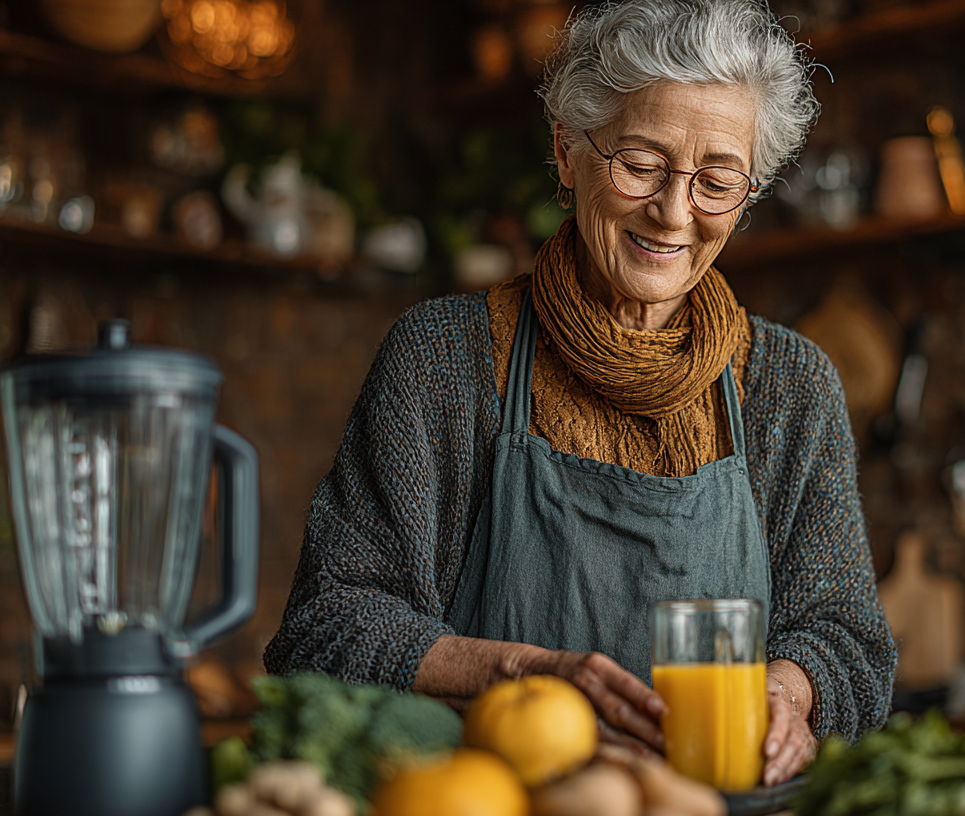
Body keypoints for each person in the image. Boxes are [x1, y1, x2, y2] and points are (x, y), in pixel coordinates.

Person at [265, 0, 896, 785]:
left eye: (717, 181)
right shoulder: (445, 361)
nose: (673, 213)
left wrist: (793, 689)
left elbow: (850, 643)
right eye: (639, 164)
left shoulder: (790, 388)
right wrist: (522, 672)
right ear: (567, 153)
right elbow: (325, 627)